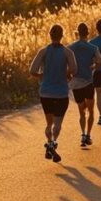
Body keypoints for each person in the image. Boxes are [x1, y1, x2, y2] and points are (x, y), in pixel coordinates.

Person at [30, 24, 77, 162]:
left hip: (46, 93)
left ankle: (49, 142)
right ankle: (53, 143)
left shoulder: (43, 51)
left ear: (50, 35)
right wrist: (67, 74)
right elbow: (74, 69)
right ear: (62, 35)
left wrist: (41, 76)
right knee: (57, 124)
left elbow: (32, 70)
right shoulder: (68, 52)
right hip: (61, 93)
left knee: (48, 124)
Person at [70, 23, 101, 148]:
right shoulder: (93, 47)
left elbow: (66, 64)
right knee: (91, 110)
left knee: (81, 112)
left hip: (75, 83)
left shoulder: (70, 47)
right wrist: (94, 67)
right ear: (88, 33)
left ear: (77, 33)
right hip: (88, 81)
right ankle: (88, 135)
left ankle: (83, 134)